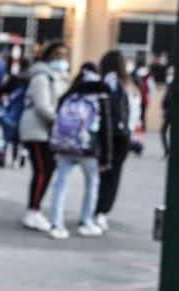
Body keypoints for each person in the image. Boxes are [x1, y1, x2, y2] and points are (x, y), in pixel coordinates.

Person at [48, 63, 114, 239]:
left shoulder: (70, 93)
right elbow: (106, 128)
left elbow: (56, 120)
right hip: (89, 149)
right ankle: (86, 221)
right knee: (92, 183)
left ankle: (56, 223)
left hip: (64, 146)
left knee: (61, 183)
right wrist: (106, 156)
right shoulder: (100, 95)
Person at [19, 41, 70, 232]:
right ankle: (32, 211)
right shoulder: (41, 76)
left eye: (63, 55)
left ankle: (35, 209)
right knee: (43, 169)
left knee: (46, 169)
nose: (60, 59)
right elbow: (42, 106)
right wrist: (59, 122)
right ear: (48, 56)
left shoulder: (57, 77)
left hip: (45, 130)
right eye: (56, 55)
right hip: (36, 130)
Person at [95, 50, 137, 231]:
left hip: (109, 134)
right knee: (113, 175)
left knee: (103, 174)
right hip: (124, 135)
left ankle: (98, 210)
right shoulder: (129, 85)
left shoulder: (109, 82)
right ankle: (102, 211)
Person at [0, 57, 31, 168]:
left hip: (15, 111)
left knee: (13, 137)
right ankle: (22, 158)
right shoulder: (32, 78)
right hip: (27, 111)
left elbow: (5, 90)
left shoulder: (16, 78)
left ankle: (13, 158)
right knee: (23, 137)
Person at [160, 70, 174, 158]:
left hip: (170, 114)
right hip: (169, 113)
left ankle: (168, 150)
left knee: (163, 131)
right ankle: (168, 150)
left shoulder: (171, 89)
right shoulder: (169, 88)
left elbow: (166, 101)